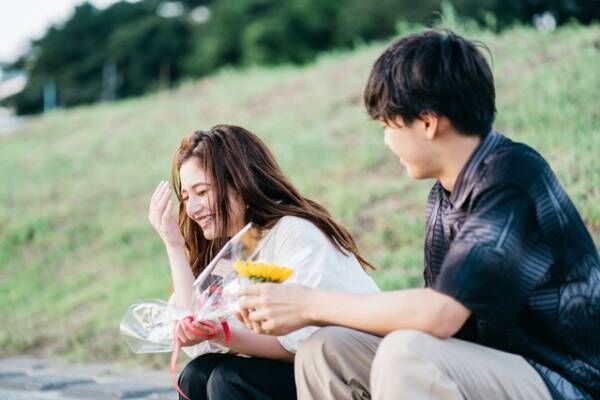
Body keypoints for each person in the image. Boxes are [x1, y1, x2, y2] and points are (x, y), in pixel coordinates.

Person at [237, 29, 600, 400]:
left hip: (563, 382)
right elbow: (436, 319)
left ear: (428, 122)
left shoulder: (511, 177)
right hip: (482, 366)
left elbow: (439, 315)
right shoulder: (443, 195)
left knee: (407, 354)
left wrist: (308, 304)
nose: (386, 141)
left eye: (387, 125)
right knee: (326, 350)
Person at [147, 124, 379, 400]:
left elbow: (301, 346)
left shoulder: (294, 232)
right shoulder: (243, 243)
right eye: (186, 197)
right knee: (196, 374)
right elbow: (194, 322)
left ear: (240, 184)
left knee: (229, 380)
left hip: (344, 374)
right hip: (297, 367)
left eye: (202, 191)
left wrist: (222, 334)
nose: (192, 209)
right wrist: (174, 246)